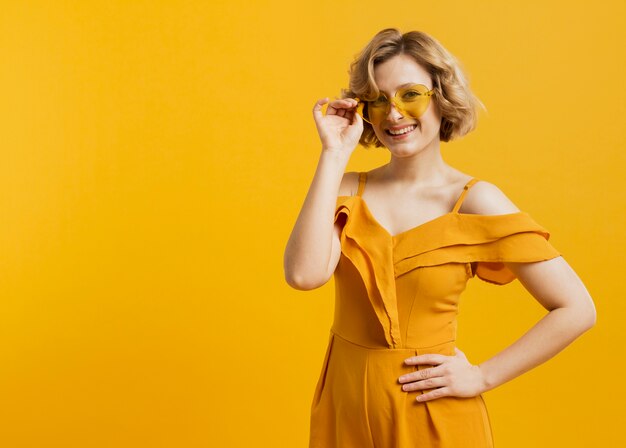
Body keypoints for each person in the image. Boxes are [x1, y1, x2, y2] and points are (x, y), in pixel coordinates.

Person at [283, 28, 596, 448]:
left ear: (442, 96)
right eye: (378, 99)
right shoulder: (346, 188)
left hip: (432, 413)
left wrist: (483, 376)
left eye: (410, 94)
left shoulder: (473, 199)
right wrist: (333, 156)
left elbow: (577, 308)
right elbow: (303, 275)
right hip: (344, 408)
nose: (394, 114)